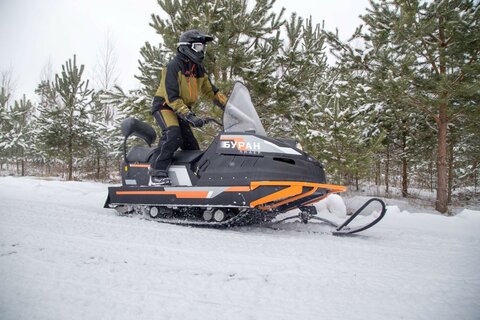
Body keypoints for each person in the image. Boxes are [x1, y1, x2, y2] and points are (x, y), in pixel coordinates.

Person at [149, 29, 228, 185]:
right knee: (173, 134)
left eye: (203, 48)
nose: (202, 51)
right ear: (187, 47)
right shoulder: (173, 66)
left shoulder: (197, 69)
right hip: (165, 106)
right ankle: (157, 173)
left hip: (182, 110)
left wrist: (229, 106)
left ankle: (190, 179)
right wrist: (189, 115)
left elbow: (210, 90)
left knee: (191, 145)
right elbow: (171, 97)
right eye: (199, 47)